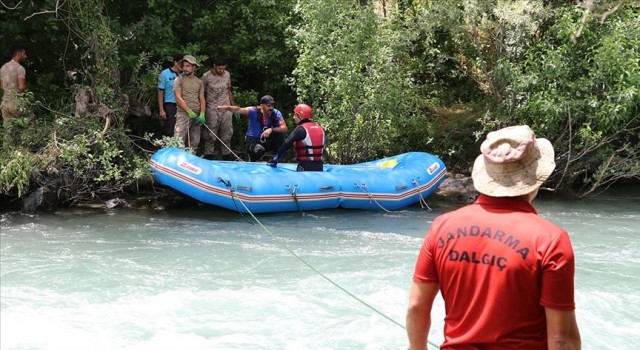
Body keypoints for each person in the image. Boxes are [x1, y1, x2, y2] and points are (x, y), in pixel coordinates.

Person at [406, 125, 581, 350]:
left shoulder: (442, 227)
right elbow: (561, 340)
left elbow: (416, 307)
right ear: (536, 177)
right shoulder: (551, 240)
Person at [216, 95, 287, 162]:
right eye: (268, 106)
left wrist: (271, 129)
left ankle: (275, 159)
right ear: (262, 105)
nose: (271, 108)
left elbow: (284, 128)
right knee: (259, 150)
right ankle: (252, 159)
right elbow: (238, 109)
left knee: (279, 136)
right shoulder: (253, 111)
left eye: (272, 105)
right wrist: (226, 108)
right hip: (253, 141)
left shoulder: (276, 113)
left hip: (266, 140)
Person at [268, 103, 325, 171]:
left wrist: (276, 158)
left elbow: (287, 144)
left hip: (304, 166)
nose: (293, 117)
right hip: (319, 167)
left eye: (295, 115)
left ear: (301, 116)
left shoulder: (300, 129)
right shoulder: (320, 128)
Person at [202, 56, 235, 160]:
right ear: (214, 66)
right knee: (211, 131)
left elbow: (229, 90)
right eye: (219, 68)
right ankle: (209, 152)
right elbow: (202, 93)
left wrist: (233, 105)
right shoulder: (206, 76)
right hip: (212, 106)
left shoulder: (227, 74)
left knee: (227, 130)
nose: (222, 71)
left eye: (223, 68)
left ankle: (226, 153)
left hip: (226, 106)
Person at [173, 55, 205, 150]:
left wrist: (202, 113)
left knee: (195, 141)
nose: (185, 68)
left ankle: (191, 159)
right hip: (183, 114)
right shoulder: (179, 79)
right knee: (178, 139)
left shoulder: (199, 82)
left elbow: (202, 99)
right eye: (184, 66)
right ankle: (177, 160)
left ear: (194, 67)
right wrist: (188, 111)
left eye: (188, 66)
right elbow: (178, 97)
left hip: (197, 115)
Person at [1, 44, 28, 124]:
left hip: (4, 104)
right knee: (30, 120)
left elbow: (2, 86)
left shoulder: (3, 67)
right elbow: (21, 87)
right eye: (24, 54)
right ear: (18, 53)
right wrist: (27, 91)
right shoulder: (20, 68)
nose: (26, 56)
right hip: (15, 103)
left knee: (9, 131)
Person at [157, 53, 183, 137]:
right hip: (170, 105)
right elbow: (160, 92)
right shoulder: (165, 73)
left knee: (181, 130)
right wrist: (161, 109)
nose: (183, 66)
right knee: (170, 129)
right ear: (175, 62)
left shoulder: (185, 74)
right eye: (181, 63)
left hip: (183, 105)